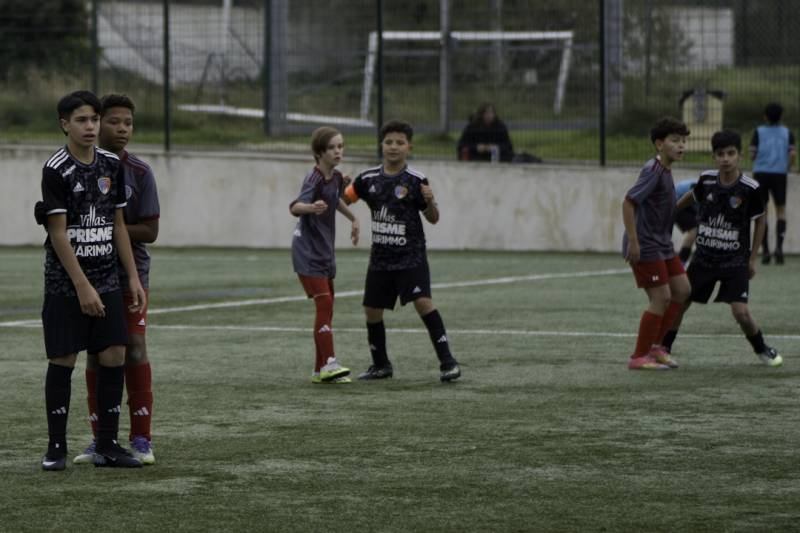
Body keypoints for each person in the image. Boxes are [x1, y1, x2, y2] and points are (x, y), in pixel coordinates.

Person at [37, 90, 145, 470]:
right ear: (65, 124)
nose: (90, 126)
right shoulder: (56, 169)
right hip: (66, 283)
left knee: (114, 352)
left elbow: (117, 224)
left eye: (94, 120)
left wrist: (131, 276)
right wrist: (81, 286)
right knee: (63, 358)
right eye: (82, 120)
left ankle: (107, 445)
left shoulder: (111, 164)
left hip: (107, 278)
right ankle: (56, 448)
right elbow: (58, 233)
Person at [72, 94, 160, 466]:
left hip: (129, 275)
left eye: (128, 123)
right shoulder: (74, 170)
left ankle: (141, 438)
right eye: (114, 122)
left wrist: (110, 228)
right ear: (96, 122)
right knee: (96, 354)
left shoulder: (138, 172)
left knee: (134, 346)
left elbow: (151, 230)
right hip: (92, 275)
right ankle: (99, 439)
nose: (122, 129)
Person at [344, 119, 461, 382]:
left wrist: (430, 201)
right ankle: (381, 365)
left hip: (411, 256)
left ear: (408, 147)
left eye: (399, 143)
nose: (393, 147)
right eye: (388, 142)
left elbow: (433, 218)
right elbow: (344, 198)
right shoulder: (367, 179)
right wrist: (341, 189)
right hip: (380, 258)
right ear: (381, 145)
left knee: (423, 303)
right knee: (372, 310)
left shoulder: (416, 180)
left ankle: (448, 362)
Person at [662, 130, 782, 367]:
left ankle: (761, 348)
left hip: (734, 262)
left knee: (741, 313)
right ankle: (664, 348)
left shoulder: (750, 188)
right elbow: (692, 195)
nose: (725, 159)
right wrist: (671, 211)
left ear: (739, 156)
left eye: (730, 153)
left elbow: (760, 221)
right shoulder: (706, 180)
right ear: (714, 156)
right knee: (680, 301)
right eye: (720, 154)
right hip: (704, 259)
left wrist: (751, 258)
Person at [289, 126, 360, 384]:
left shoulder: (335, 177)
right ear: (320, 152)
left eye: (340, 146)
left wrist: (353, 218)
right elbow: (295, 207)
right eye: (332, 147)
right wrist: (311, 206)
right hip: (307, 252)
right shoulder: (314, 178)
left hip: (323, 252)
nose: (338, 151)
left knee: (328, 308)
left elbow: (335, 199)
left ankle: (320, 370)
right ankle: (330, 362)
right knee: (324, 304)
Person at [621, 117, 691, 370]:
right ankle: (639, 357)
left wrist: (691, 199)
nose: (681, 145)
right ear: (659, 144)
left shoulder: (665, 170)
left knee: (682, 291)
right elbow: (628, 203)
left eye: (683, 141)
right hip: (646, 245)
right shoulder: (652, 171)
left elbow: (666, 209)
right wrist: (634, 242)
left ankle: (657, 348)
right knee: (661, 298)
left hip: (662, 244)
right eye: (675, 140)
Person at [749, 102, 796, 264]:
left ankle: (766, 250)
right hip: (779, 174)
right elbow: (792, 153)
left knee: (763, 211)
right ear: (781, 116)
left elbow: (752, 153)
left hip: (761, 173)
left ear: (765, 116)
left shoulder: (758, 131)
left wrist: (758, 159)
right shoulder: (787, 132)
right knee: (781, 210)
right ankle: (779, 249)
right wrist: (787, 166)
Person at [674, 178, 698, 265]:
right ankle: (681, 261)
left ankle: (682, 260)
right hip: (677, 203)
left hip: (689, 206)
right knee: (694, 230)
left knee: (697, 230)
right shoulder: (682, 189)